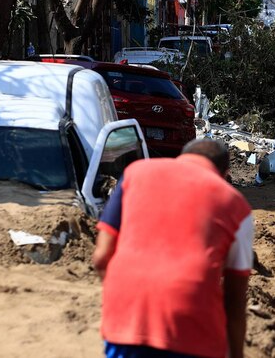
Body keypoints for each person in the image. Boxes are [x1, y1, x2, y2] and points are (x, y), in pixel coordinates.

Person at [92, 138, 254, 358]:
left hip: (126, 321)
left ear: (181, 157)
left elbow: (102, 256)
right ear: (225, 174)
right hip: (191, 328)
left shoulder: (135, 173)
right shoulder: (236, 205)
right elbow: (235, 300)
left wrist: (125, 302)